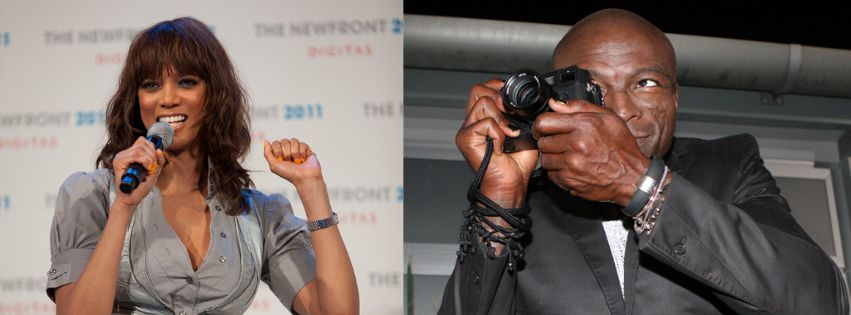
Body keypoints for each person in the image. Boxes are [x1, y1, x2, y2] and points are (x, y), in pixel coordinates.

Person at [439, 9, 848, 315]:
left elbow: (821, 299)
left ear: (674, 98)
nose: (620, 110)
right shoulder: (529, 203)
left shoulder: (728, 165)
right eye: (594, 87)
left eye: (645, 83)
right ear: (555, 99)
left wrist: (642, 185)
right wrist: (500, 201)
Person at [45, 17, 358, 315]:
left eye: (186, 81)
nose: (167, 98)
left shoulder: (258, 216)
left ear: (214, 95)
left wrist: (312, 188)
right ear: (135, 98)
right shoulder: (90, 196)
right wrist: (123, 208)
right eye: (151, 84)